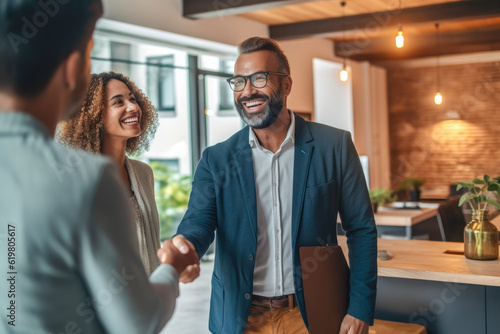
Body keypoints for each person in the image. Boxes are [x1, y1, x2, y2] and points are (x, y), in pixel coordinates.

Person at [0, 1, 199, 333]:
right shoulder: (86, 179)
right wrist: (171, 268)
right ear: (73, 67)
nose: (131, 106)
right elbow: (138, 321)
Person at [174, 37, 377, 334]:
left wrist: (360, 307)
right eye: (239, 82)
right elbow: (198, 223)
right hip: (241, 318)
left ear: (286, 85)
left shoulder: (334, 146)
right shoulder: (215, 159)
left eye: (259, 78)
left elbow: (361, 229)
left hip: (315, 315)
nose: (248, 91)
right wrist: (185, 246)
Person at [58, 71, 162, 276]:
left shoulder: (144, 173)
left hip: (150, 299)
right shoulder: (76, 181)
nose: (133, 107)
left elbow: (153, 244)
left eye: (133, 99)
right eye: (118, 102)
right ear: (94, 115)